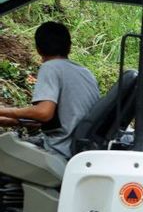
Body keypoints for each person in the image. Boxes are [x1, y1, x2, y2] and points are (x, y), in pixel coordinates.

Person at [0, 22, 99, 158]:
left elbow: (44, 113)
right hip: (78, 149)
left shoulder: (50, 67)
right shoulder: (85, 73)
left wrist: (5, 110)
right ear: (69, 47)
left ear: (38, 49)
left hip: (59, 150)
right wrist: (15, 120)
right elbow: (65, 118)